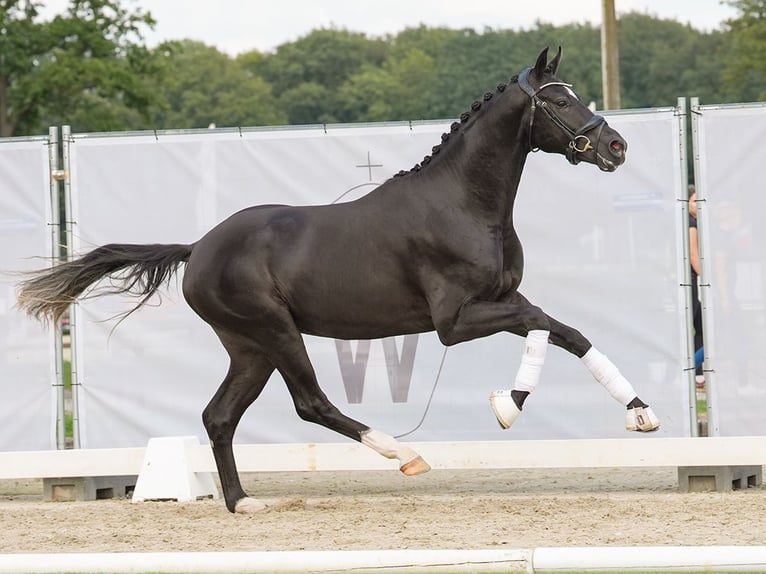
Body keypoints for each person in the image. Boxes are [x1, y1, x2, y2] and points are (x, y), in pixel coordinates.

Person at [688, 185, 705, 389]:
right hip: (690, 282)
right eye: (694, 201)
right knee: (692, 326)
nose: (697, 205)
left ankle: (696, 371)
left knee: (700, 327)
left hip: (691, 282)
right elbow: (693, 254)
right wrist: (708, 279)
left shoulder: (693, 221)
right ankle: (691, 370)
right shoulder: (691, 223)